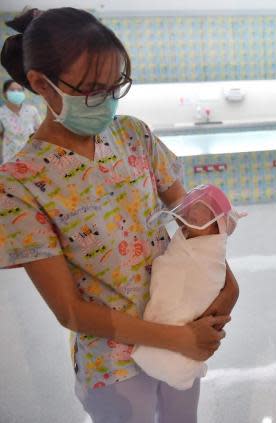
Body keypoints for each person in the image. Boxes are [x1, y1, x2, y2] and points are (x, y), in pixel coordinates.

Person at [0, 7, 238, 423]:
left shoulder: (133, 135)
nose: (107, 101)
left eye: (116, 86)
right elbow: (69, 311)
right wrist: (177, 338)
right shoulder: (20, 183)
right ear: (41, 84)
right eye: (93, 90)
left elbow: (196, 227)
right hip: (112, 361)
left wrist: (225, 290)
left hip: (182, 319)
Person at [132, 184, 245, 391]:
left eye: (202, 212)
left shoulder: (209, 253)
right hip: (135, 343)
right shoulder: (186, 238)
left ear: (216, 228)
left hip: (184, 339)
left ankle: (174, 362)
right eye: (191, 210)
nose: (193, 213)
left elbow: (211, 280)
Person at [0, 79, 41, 162]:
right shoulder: (1, 113)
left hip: (32, 155)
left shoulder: (32, 110)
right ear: (4, 93)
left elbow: (40, 132)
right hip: (10, 157)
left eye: (19, 90)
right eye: (12, 90)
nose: (16, 93)